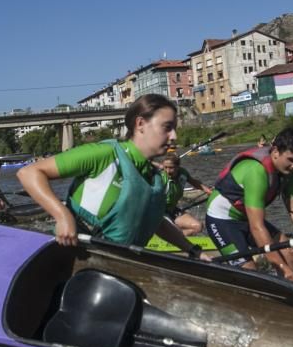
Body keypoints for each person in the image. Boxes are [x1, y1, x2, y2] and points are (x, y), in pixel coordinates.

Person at [18, 93, 211, 257]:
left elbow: (157, 222)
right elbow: (29, 173)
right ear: (141, 124)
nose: (174, 136)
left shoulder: (154, 176)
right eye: (167, 127)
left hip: (120, 262)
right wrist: (61, 215)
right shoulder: (104, 154)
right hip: (76, 256)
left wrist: (193, 250)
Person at [204, 127, 293, 282]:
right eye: (291, 160)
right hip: (221, 220)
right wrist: (281, 268)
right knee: (250, 273)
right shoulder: (256, 171)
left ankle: (291, 288)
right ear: (276, 152)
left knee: (290, 252)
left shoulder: (286, 172)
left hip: (246, 218)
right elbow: (257, 227)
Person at [159, 154, 211, 236]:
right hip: (159, 213)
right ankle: (172, 236)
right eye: (165, 167)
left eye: (171, 168)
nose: (168, 171)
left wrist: (208, 191)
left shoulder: (183, 173)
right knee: (173, 231)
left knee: (198, 226)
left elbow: (194, 182)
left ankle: (175, 239)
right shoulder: (160, 178)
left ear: (178, 167)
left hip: (172, 210)